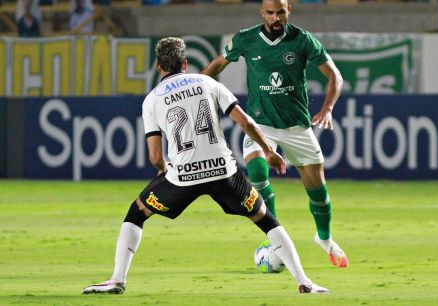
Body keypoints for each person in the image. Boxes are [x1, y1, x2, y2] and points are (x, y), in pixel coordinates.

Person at [82, 37, 329, 295]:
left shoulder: (152, 100)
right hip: (224, 171)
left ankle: (117, 280)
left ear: (158, 67)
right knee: (265, 219)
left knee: (137, 212)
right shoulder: (207, 82)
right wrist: (269, 151)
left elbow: (155, 156)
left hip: (183, 176)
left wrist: (165, 167)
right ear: (186, 63)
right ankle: (304, 282)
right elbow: (245, 122)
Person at [202, 0, 348, 268]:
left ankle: (324, 239)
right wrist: (200, 88)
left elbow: (335, 76)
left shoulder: (303, 40)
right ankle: (277, 238)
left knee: (318, 192)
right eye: (270, 12)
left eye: (280, 11)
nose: (275, 17)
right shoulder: (246, 39)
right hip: (260, 125)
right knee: (257, 171)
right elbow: (217, 66)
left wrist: (327, 109)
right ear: (262, 13)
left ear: (289, 10)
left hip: (296, 125)